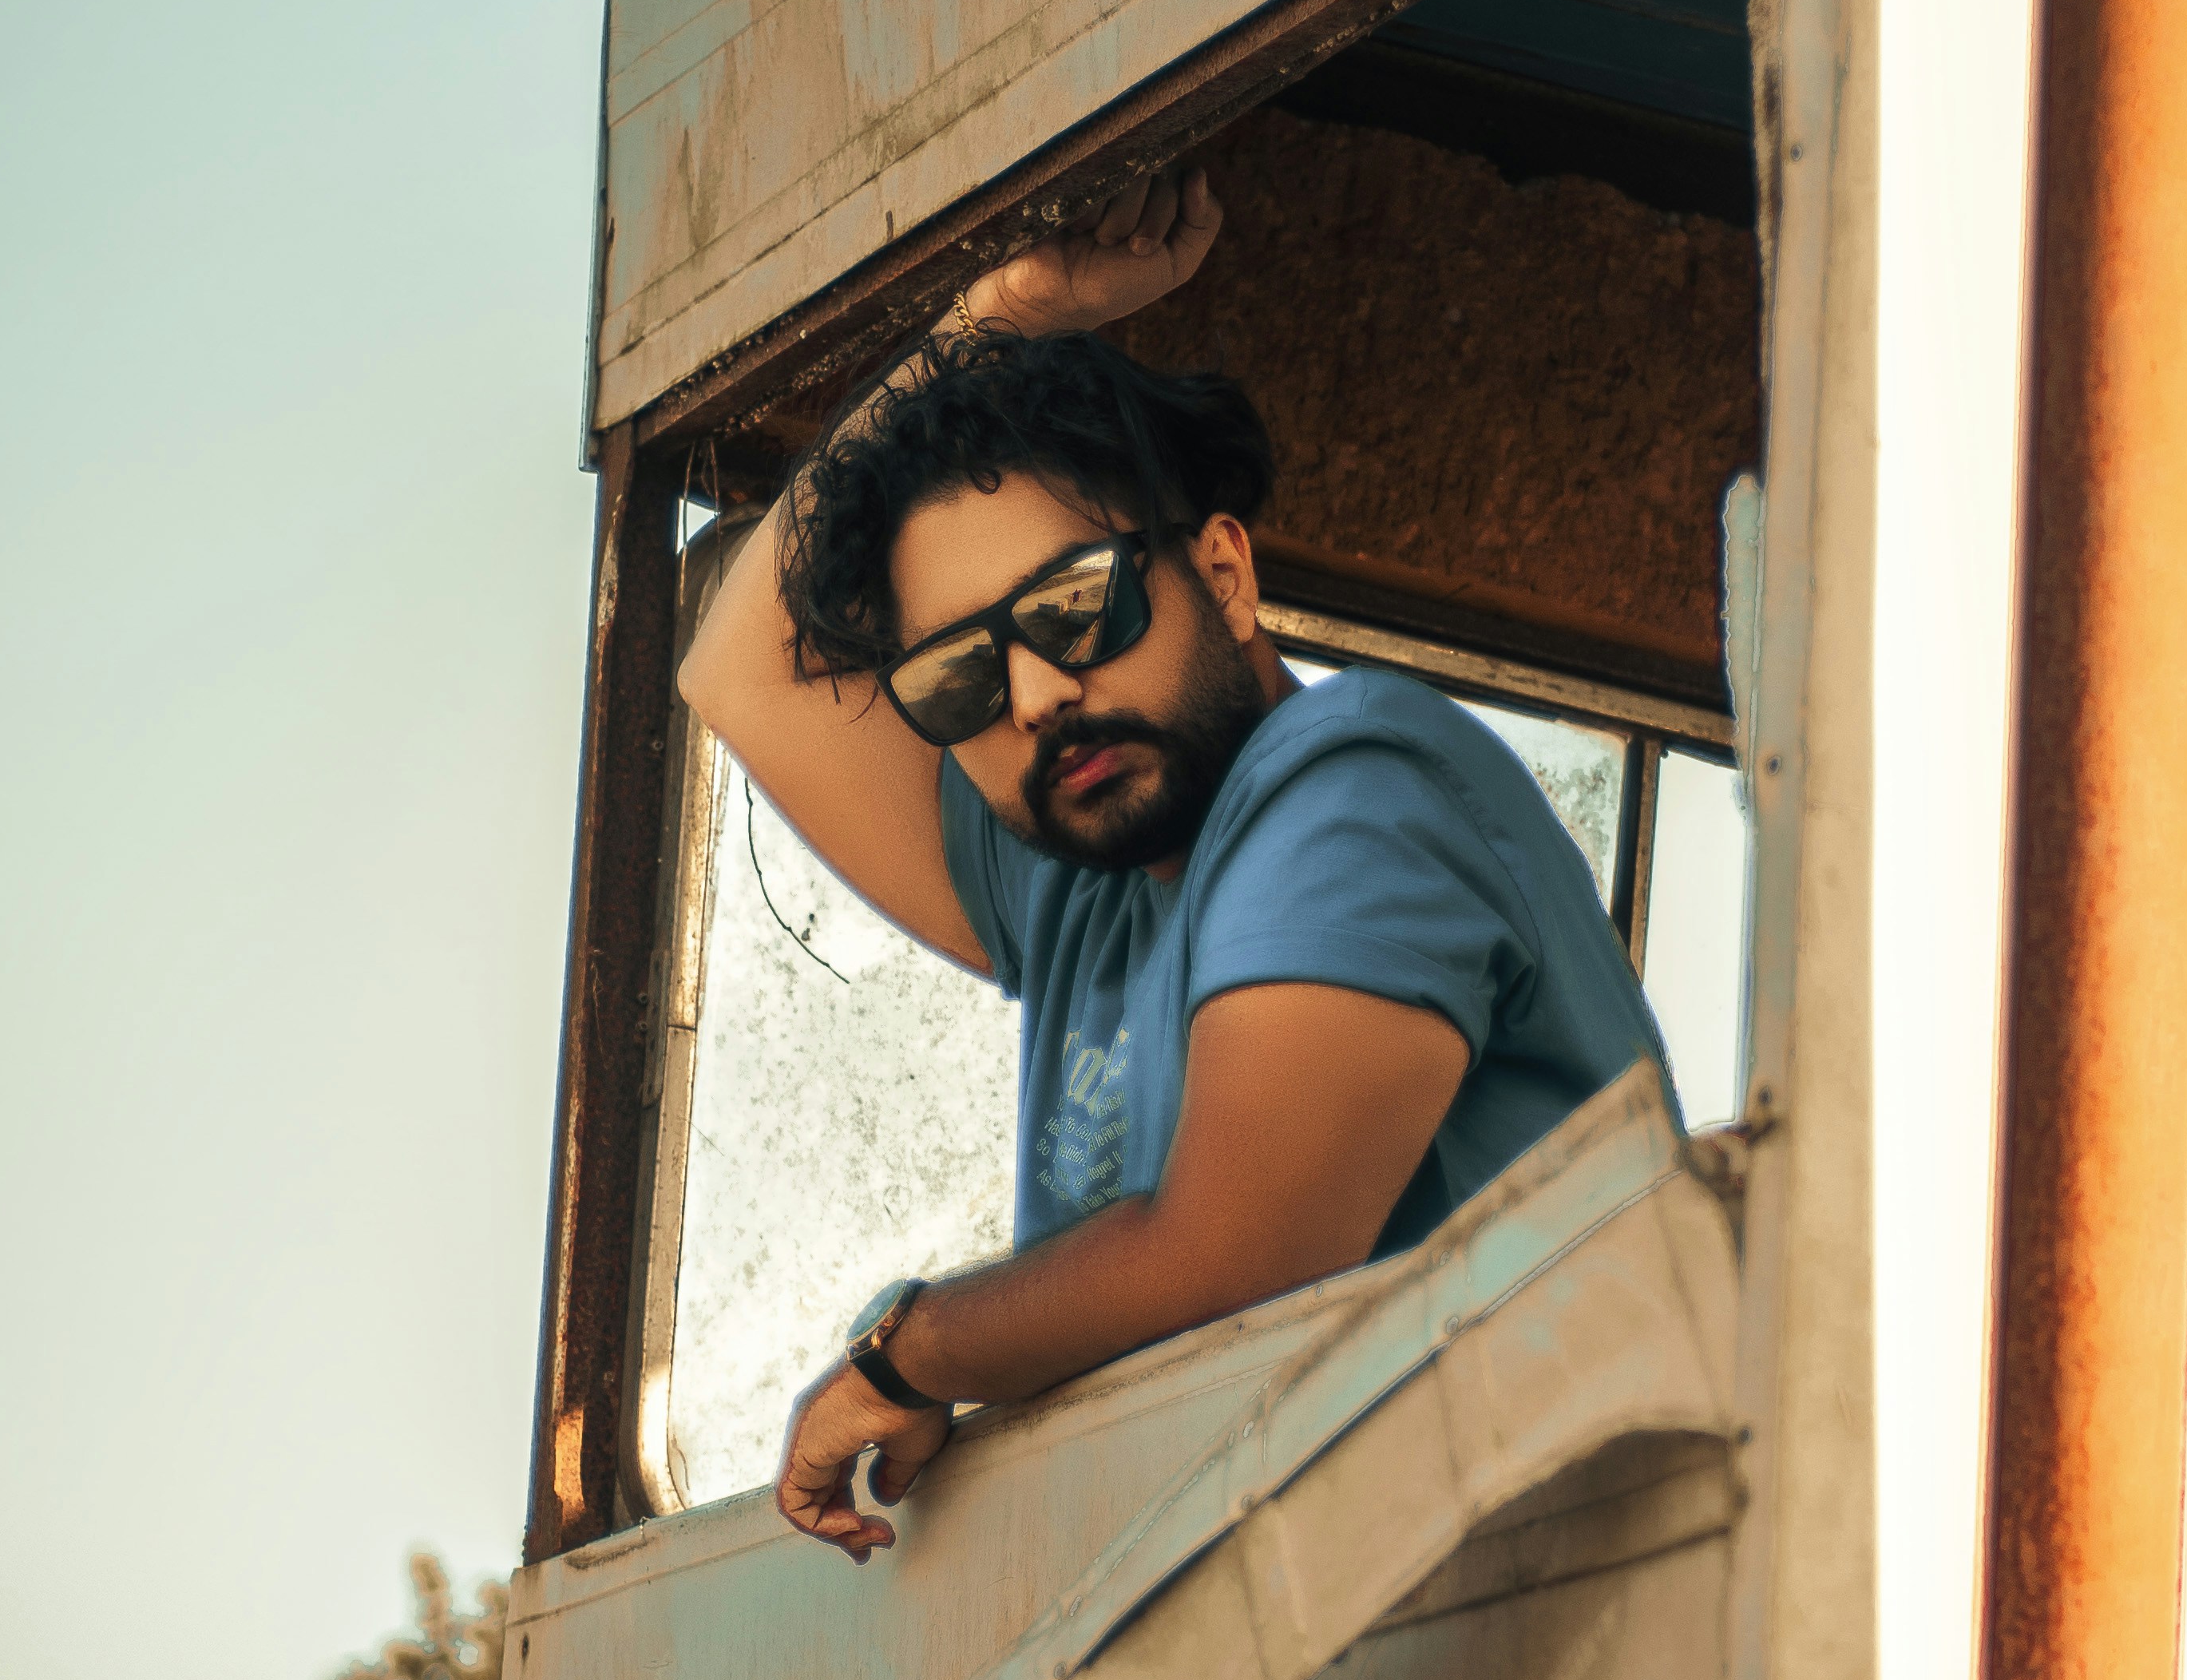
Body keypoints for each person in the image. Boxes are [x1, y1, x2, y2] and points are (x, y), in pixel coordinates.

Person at [678, 160, 1678, 1559]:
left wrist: (911, 1350)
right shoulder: (1080, 884)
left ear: (1221, 574)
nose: (1036, 697)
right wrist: (993, 318)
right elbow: (738, 672)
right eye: (960, 678)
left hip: (1565, 1589)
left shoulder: (1357, 787)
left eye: (1075, 608)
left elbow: (1235, 1258)